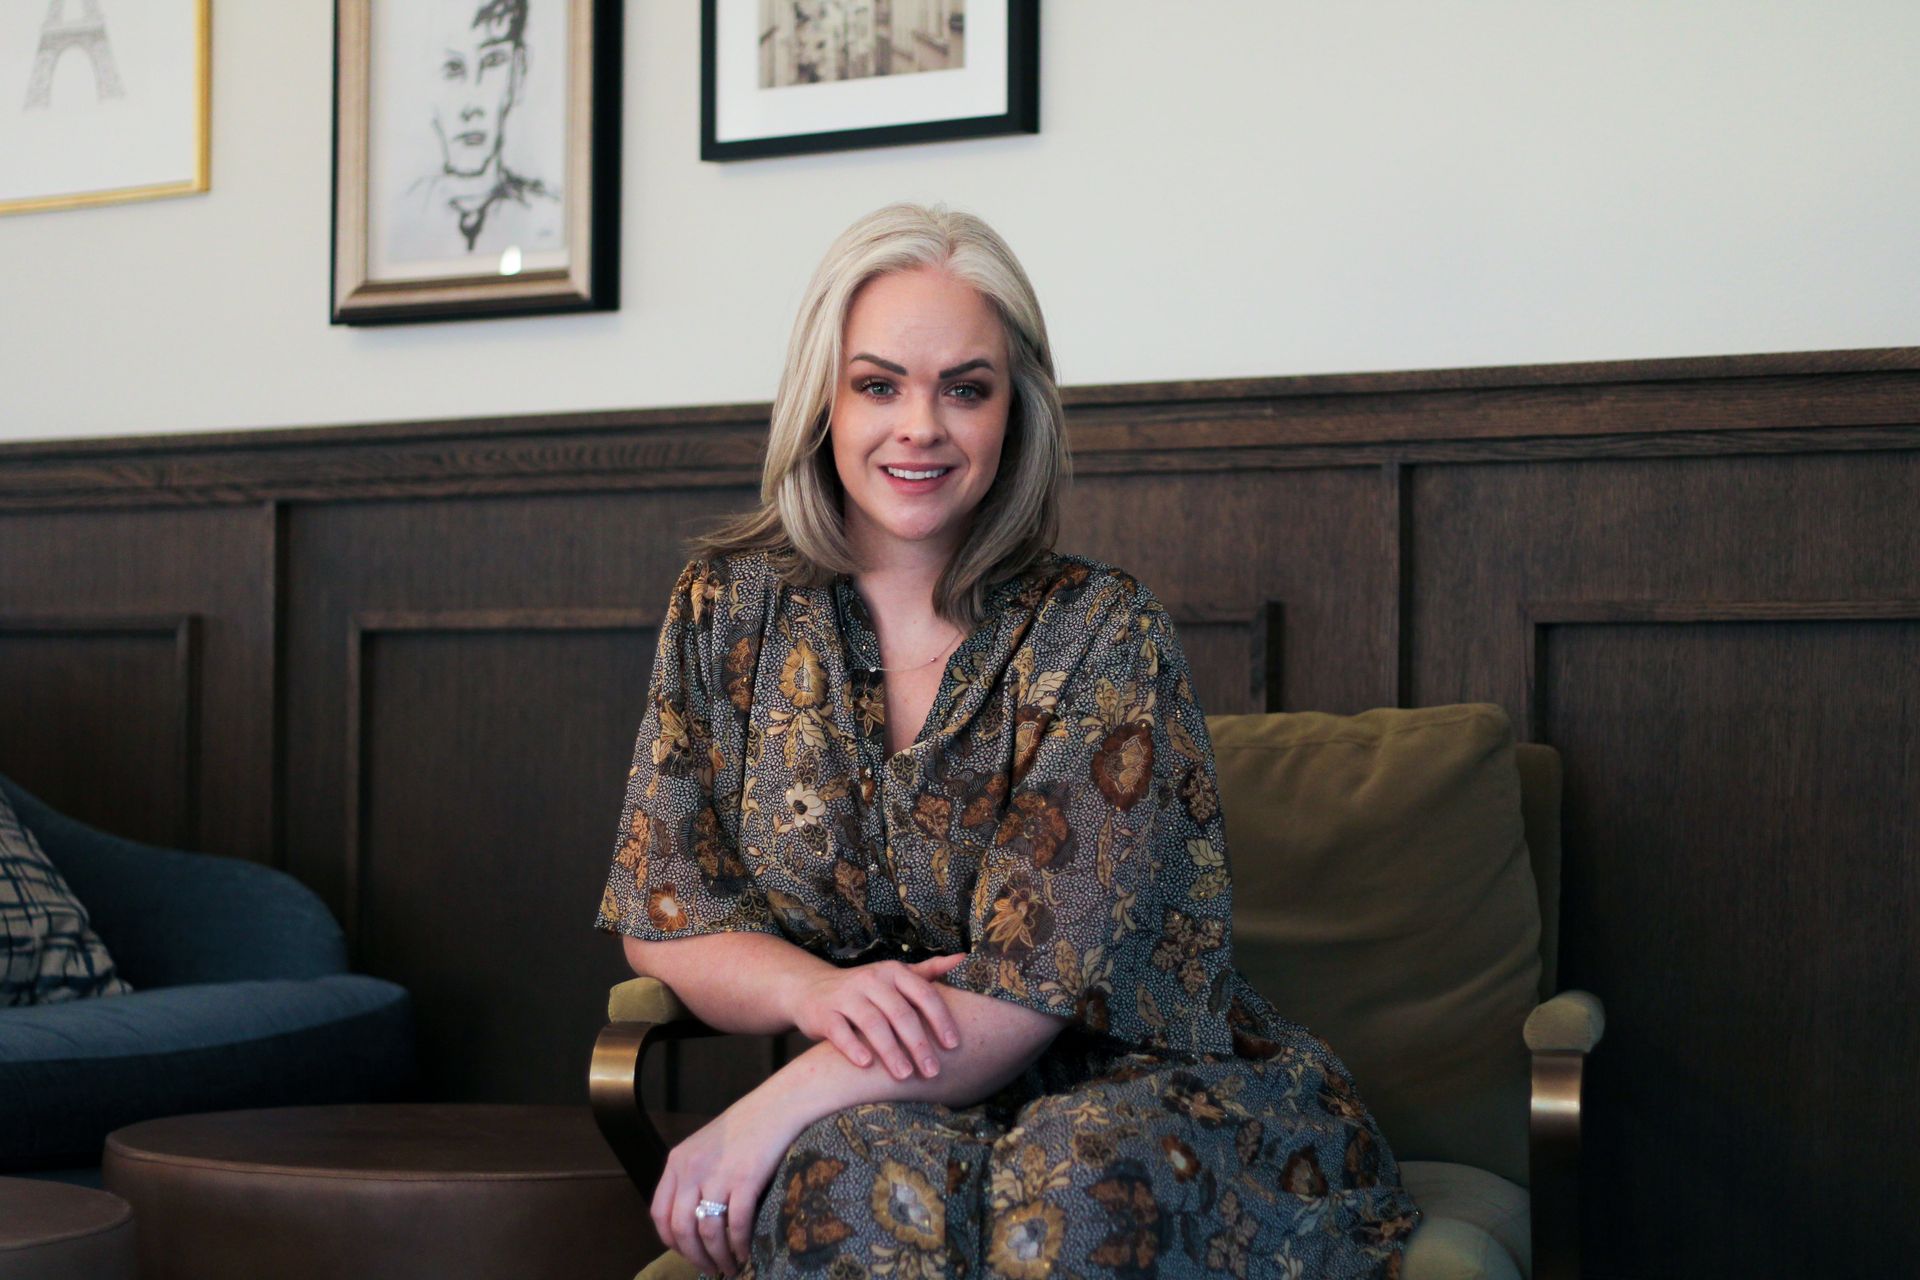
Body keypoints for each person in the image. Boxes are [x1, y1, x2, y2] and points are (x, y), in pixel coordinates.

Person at [593, 202, 1419, 1278]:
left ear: (1015, 411)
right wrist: (813, 993)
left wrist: (771, 1103)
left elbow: (1030, 987)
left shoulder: (1105, 632)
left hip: (1132, 1094)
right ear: (822, 399)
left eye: (965, 389)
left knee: (1072, 1188)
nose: (920, 426)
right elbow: (667, 907)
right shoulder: (724, 610)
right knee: (845, 1188)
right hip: (879, 1096)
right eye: (878, 385)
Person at [398, 0, 561, 258]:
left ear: (518, 73)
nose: (471, 105)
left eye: (492, 62)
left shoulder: (553, 217)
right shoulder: (401, 218)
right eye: (453, 68)